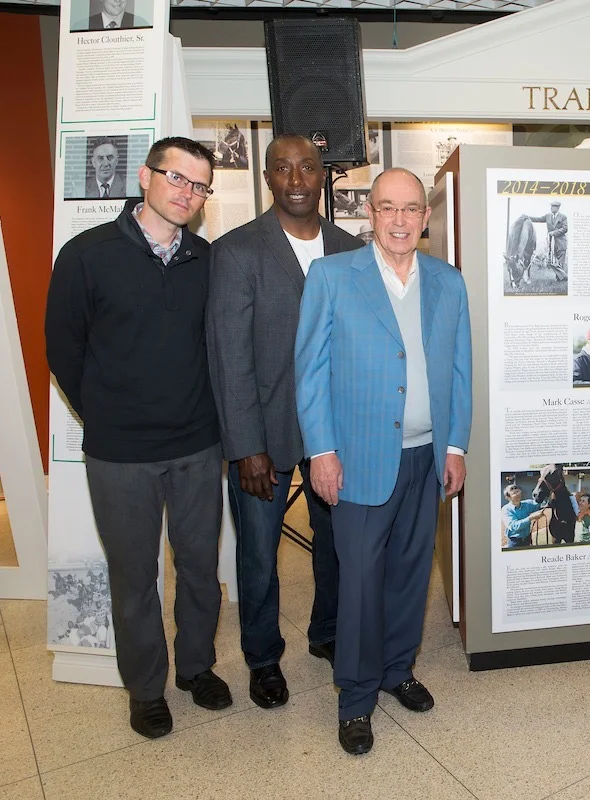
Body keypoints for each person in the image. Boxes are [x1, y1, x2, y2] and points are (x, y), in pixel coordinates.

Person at [46, 137, 227, 740]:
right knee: (134, 577)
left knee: (201, 567)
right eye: (177, 178)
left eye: (200, 186)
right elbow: (63, 352)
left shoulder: (206, 259)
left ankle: (197, 668)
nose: (187, 193)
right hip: (121, 454)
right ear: (146, 177)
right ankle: (147, 690)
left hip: (198, 446)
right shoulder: (86, 255)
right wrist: (107, 414)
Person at [295, 167, 471, 755]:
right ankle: (355, 697)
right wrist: (321, 451)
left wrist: (455, 446)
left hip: (426, 458)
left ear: (426, 217)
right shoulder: (332, 276)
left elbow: (458, 373)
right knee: (362, 582)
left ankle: (397, 670)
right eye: (388, 207)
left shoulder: (449, 282)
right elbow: (310, 372)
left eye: (411, 209)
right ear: (369, 212)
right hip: (359, 460)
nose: (400, 220)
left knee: (410, 576)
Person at [207, 136, 363, 710]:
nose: (296, 179)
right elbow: (229, 357)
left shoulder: (349, 250)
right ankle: (263, 657)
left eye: (307, 167)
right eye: (283, 169)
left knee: (336, 544)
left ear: (323, 175)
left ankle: (327, 633)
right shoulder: (238, 252)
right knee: (257, 551)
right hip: (264, 434)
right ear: (267, 178)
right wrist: (245, 446)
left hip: (334, 434)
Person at [531, 200, 568, 278]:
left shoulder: (563, 217)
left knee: (561, 262)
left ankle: (560, 279)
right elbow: (538, 219)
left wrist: (553, 233)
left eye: (553, 206)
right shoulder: (548, 216)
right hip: (551, 244)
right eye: (551, 206)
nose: (551, 208)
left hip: (561, 243)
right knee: (551, 261)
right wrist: (528, 217)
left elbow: (565, 228)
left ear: (557, 208)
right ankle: (564, 277)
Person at [501, 484, 545, 548]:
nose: (517, 494)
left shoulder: (527, 504)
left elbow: (539, 504)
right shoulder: (506, 509)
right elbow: (513, 526)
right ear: (508, 497)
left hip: (527, 540)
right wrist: (531, 517)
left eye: (518, 491)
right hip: (515, 543)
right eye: (514, 493)